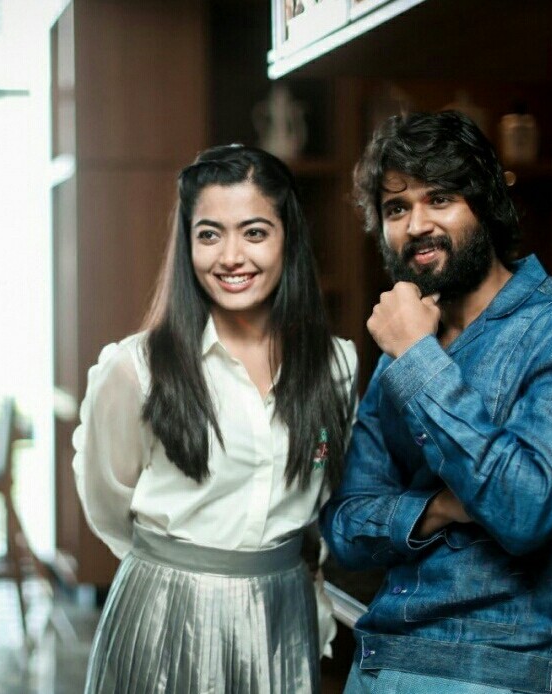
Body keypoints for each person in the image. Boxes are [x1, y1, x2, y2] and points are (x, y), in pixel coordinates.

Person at [320, 110, 552, 694]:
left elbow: (524, 508)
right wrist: (440, 508)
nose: (416, 224)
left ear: (484, 204)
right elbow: (343, 526)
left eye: (440, 198)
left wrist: (416, 357)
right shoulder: (401, 349)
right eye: (396, 208)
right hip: (377, 663)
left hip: (498, 673)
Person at [73, 143, 357, 693]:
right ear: (188, 244)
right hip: (165, 612)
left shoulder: (337, 365)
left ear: (287, 238)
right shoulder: (136, 369)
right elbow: (106, 502)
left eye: (254, 232)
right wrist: (176, 569)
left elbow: (326, 501)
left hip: (282, 611)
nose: (231, 256)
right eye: (209, 234)